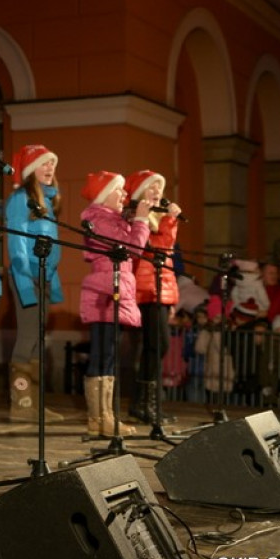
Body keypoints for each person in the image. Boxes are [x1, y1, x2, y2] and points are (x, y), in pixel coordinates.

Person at [79, 171, 150, 437]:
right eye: (119, 190)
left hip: (115, 287)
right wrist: (140, 220)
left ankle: (104, 417)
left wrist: (135, 219)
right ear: (104, 193)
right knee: (103, 354)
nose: (124, 194)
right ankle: (99, 417)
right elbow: (132, 249)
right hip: (105, 290)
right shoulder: (98, 218)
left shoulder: (112, 219)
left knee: (108, 355)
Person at [5, 144, 65, 423]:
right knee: (29, 335)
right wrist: (25, 276)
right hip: (27, 276)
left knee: (39, 338)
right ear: (31, 170)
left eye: (52, 163)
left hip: (44, 277)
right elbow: (16, 240)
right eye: (44, 163)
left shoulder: (47, 203)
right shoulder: (21, 199)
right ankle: (22, 404)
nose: (50, 167)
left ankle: (36, 405)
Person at [123, 170, 182, 424]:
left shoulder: (159, 218)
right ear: (139, 192)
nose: (158, 192)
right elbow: (155, 247)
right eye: (151, 187)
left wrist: (172, 298)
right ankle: (145, 404)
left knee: (155, 347)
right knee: (157, 345)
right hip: (146, 288)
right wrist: (169, 221)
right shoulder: (136, 216)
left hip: (161, 287)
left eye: (160, 187)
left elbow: (167, 257)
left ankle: (146, 404)